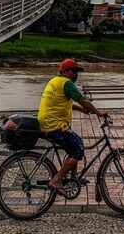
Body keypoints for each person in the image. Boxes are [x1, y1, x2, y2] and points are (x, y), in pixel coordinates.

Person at [37, 58, 107, 192]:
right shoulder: (66, 83)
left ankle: (74, 178)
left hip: (46, 123)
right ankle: (57, 180)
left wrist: (82, 110)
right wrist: (98, 113)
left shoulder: (54, 81)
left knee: (76, 142)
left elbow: (64, 103)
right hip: (54, 126)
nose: (76, 75)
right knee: (77, 149)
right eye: (74, 71)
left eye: (77, 72)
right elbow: (83, 100)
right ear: (65, 71)